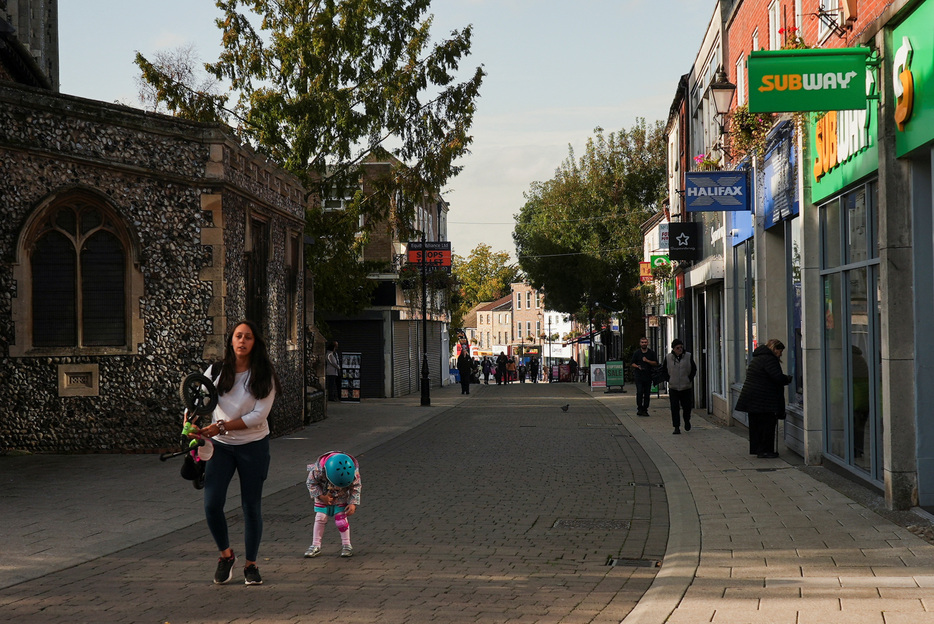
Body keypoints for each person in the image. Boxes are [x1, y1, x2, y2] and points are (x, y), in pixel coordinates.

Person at [194, 320, 281, 586]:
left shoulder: (264, 375)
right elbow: (200, 400)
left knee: (251, 507)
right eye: (238, 336)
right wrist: (193, 422)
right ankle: (226, 556)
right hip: (220, 447)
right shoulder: (216, 371)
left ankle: (251, 565)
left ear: (256, 343)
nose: (242, 341)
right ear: (231, 340)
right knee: (211, 505)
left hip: (253, 446)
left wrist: (220, 425)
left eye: (248, 337)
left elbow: (258, 416)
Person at [735, 339, 792, 459]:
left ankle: (758, 449)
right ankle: (765, 450)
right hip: (763, 400)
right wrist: (787, 379)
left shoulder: (758, 357)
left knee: (757, 426)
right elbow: (776, 377)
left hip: (753, 398)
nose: (780, 354)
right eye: (780, 351)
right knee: (767, 425)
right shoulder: (769, 359)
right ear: (774, 349)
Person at [304, 451, 361, 558]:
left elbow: (356, 487)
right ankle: (315, 545)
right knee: (320, 518)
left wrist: (353, 503)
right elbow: (311, 483)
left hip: (341, 497)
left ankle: (347, 545)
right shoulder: (318, 470)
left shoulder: (352, 471)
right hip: (323, 496)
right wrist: (321, 496)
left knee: (341, 521)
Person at [662, 339, 697, 435]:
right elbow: (664, 370)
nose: (680, 349)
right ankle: (676, 427)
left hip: (686, 387)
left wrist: (689, 379)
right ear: (673, 348)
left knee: (687, 407)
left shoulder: (688, 356)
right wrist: (669, 379)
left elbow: (693, 369)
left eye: (681, 347)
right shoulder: (668, 357)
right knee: (674, 407)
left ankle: (687, 420)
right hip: (673, 387)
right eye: (677, 348)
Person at [630, 337, 658, 416]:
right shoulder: (637, 353)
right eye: (642, 342)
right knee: (639, 392)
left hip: (648, 376)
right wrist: (637, 366)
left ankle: (645, 409)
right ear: (640, 343)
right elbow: (632, 363)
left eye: (645, 342)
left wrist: (647, 361)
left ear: (647, 343)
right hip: (638, 376)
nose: (644, 344)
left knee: (647, 393)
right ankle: (639, 408)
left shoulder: (651, 353)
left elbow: (656, 363)